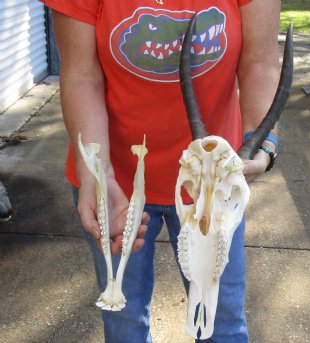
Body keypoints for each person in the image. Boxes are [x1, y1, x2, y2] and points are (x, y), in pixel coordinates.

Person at [41, 0, 281, 341]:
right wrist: (97, 172)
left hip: (212, 185)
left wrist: (262, 144)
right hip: (116, 186)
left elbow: (259, 62)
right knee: (123, 319)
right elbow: (81, 75)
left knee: (221, 321)